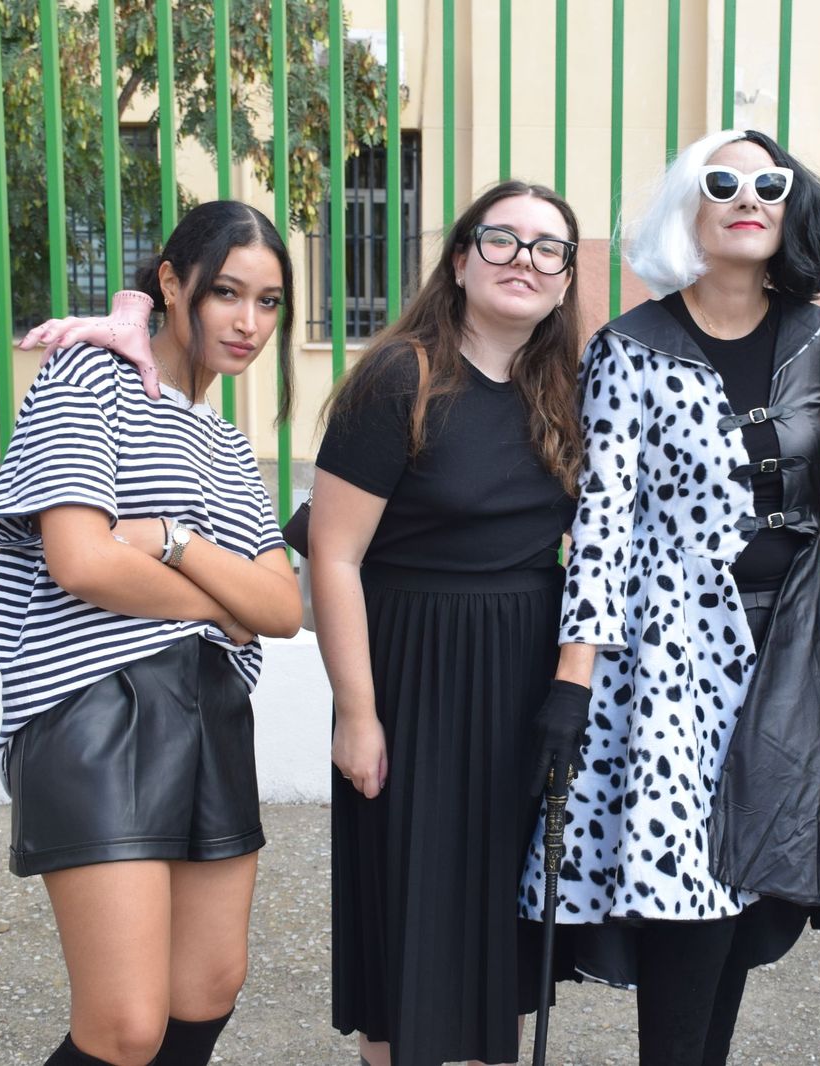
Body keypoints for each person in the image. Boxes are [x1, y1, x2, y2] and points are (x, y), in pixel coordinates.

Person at [517, 128, 820, 1065]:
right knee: (689, 900)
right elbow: (603, 523)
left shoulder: (818, 338)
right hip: (673, 667)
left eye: (768, 183)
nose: (748, 197)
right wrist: (575, 679)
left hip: (790, 660)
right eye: (721, 181)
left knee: (747, 890)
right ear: (687, 208)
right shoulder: (631, 347)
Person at [0, 200, 303, 1066]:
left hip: (212, 712)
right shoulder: (91, 379)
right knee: (125, 1025)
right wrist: (215, 602)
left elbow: (283, 610)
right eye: (228, 292)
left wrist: (169, 539)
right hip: (94, 711)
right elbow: (81, 561)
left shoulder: (230, 449)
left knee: (207, 988)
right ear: (171, 282)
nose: (248, 321)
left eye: (269, 302)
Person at [310, 180, 584, 1066]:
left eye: (549, 248)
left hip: (519, 687)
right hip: (413, 680)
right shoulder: (402, 378)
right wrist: (357, 714)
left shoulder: (564, 393)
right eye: (501, 240)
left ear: (566, 279)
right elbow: (334, 556)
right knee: (410, 925)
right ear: (461, 260)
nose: (524, 261)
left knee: (494, 930)